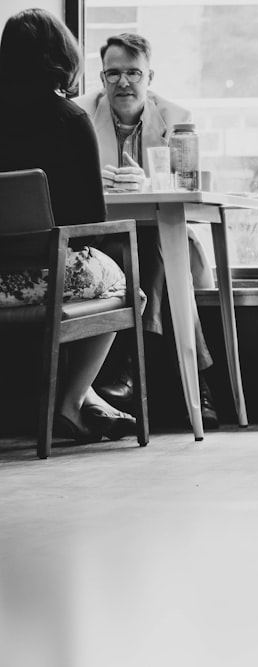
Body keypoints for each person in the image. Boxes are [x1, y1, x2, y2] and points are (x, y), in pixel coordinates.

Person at [0, 8, 138, 442]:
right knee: (131, 288)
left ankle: (86, 400)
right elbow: (90, 225)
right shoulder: (70, 120)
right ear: (62, 54)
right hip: (46, 274)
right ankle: (71, 402)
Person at [74, 33, 219, 428]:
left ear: (149, 76)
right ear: (101, 77)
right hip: (104, 235)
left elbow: (188, 189)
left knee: (152, 245)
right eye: (113, 73)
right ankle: (197, 388)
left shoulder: (176, 118)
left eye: (133, 73)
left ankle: (126, 370)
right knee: (146, 255)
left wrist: (151, 184)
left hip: (162, 234)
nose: (123, 83)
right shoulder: (79, 114)